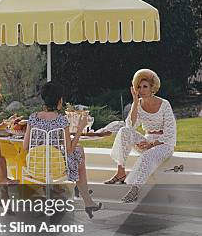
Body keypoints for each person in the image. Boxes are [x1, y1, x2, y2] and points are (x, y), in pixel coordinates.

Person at [22, 81, 102, 218]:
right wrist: (80, 129)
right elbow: (69, 149)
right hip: (55, 167)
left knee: (79, 151)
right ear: (59, 100)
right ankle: (86, 197)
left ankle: (84, 194)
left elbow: (25, 146)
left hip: (35, 166)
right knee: (78, 154)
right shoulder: (61, 120)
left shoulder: (33, 118)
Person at [105, 69, 176, 203]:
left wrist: (151, 144)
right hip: (146, 142)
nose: (141, 90)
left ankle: (135, 189)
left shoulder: (164, 104)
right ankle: (120, 171)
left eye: (145, 87)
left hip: (164, 144)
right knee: (124, 131)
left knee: (147, 155)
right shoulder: (137, 104)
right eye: (139, 87)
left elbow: (170, 134)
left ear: (152, 88)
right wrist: (135, 103)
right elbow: (130, 126)